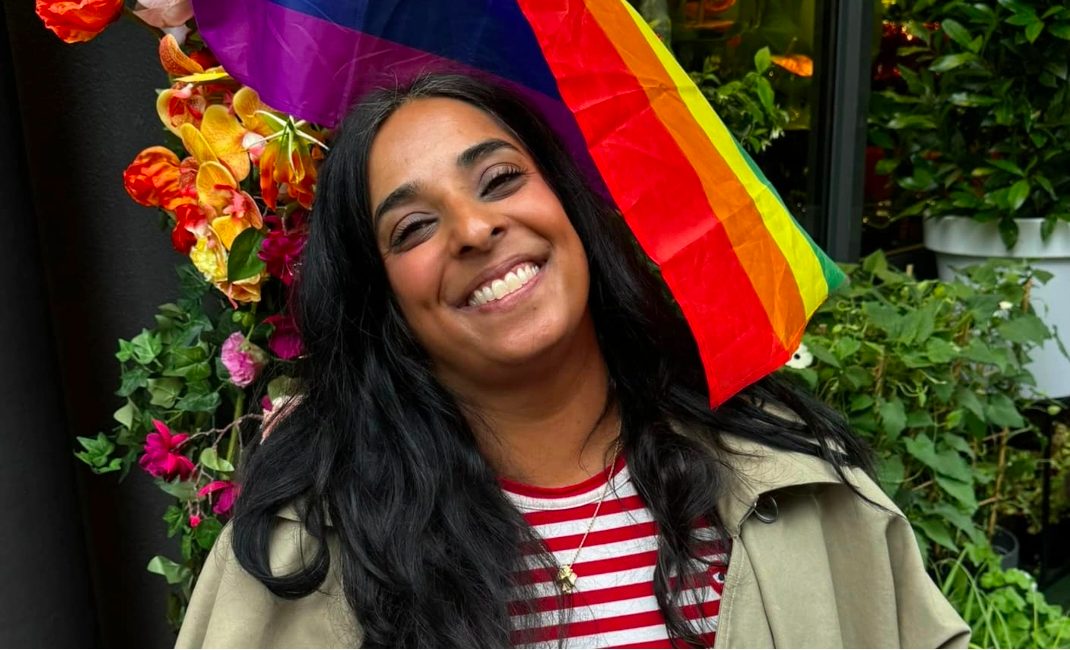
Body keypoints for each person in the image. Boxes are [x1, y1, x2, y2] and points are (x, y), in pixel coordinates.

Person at [176, 73, 969, 649]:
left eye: (499, 180)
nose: (475, 229)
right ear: (382, 304)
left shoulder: (793, 486)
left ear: (571, 205)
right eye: (413, 228)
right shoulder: (303, 550)